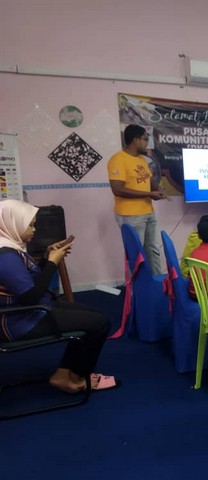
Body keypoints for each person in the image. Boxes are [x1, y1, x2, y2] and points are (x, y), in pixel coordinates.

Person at [0, 200, 115, 393]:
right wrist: (52, 263)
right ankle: (75, 378)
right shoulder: (6, 257)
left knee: (97, 315)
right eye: (30, 225)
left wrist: (47, 257)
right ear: (12, 223)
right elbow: (30, 297)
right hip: (19, 321)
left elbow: (28, 282)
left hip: (27, 311)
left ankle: (64, 374)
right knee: (99, 323)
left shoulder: (9, 247)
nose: (34, 230)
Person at [108, 125, 167, 275]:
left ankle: (156, 283)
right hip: (130, 216)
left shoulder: (142, 160)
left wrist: (158, 189)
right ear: (135, 140)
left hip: (148, 212)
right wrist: (149, 194)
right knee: (136, 255)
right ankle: (137, 287)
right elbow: (117, 189)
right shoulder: (118, 159)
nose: (147, 142)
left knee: (153, 249)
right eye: (145, 139)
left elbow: (149, 182)